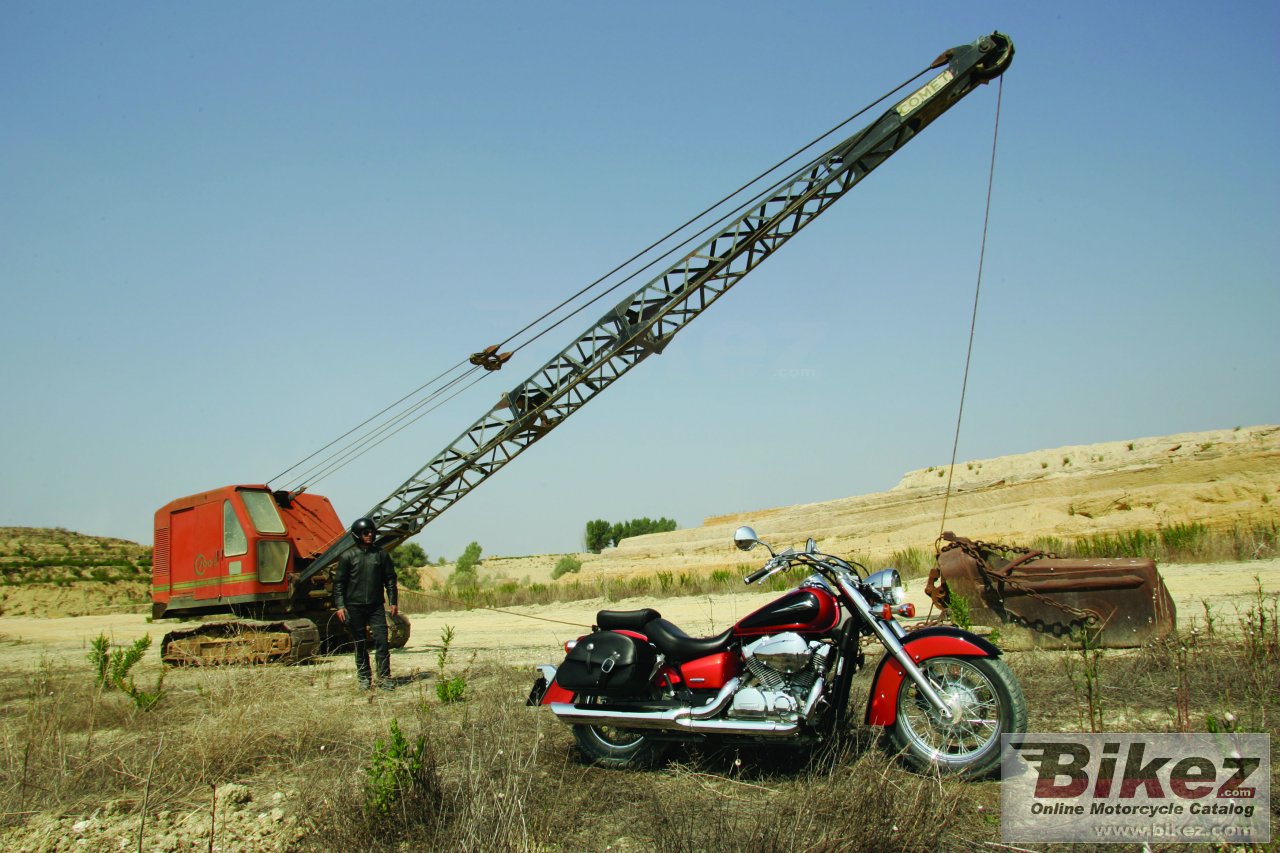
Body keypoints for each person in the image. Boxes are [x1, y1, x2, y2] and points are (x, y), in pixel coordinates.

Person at [334, 517, 399, 691]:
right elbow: (339, 583)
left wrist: (393, 601)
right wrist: (340, 605)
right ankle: (364, 678)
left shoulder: (381, 555)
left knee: (382, 642)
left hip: (376, 606)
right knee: (360, 643)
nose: (370, 535)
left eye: (372, 532)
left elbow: (390, 580)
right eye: (365, 533)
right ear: (357, 535)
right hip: (354, 607)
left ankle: (384, 678)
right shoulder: (347, 557)